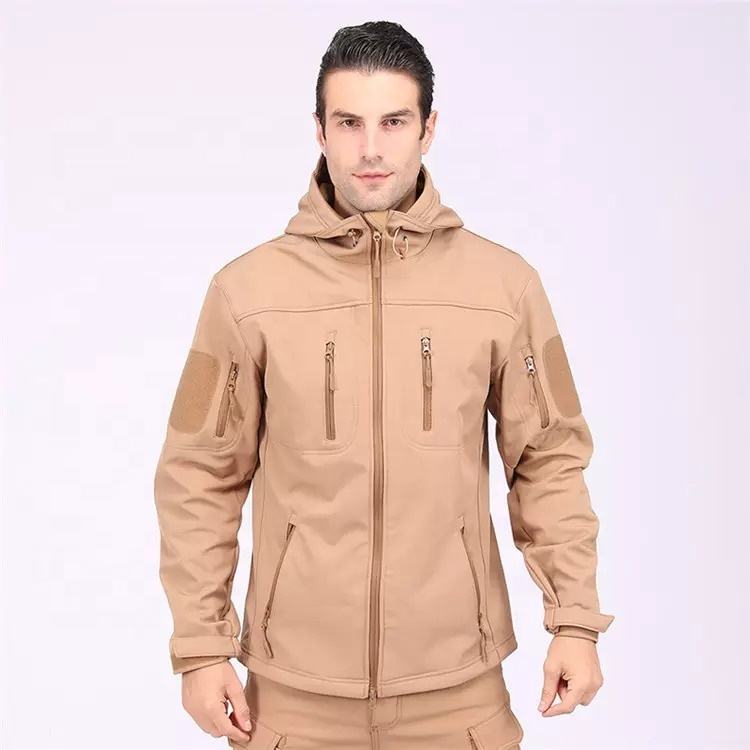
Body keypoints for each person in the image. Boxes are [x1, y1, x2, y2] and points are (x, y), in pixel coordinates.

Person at [153, 20, 614, 750]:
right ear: (320, 131)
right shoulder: (245, 292)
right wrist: (201, 647)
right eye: (349, 123)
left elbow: (549, 458)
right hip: (291, 702)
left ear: (429, 129)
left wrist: (576, 620)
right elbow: (198, 474)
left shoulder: (504, 287)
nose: (371, 148)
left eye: (394, 122)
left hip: (459, 697)